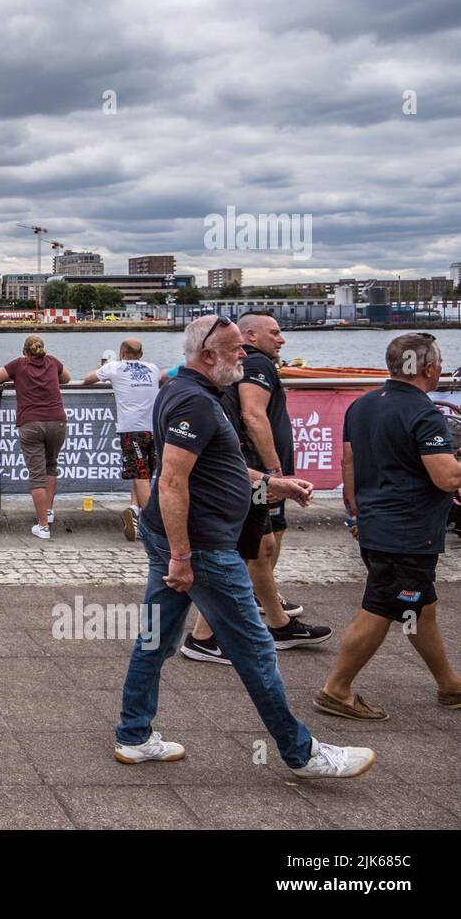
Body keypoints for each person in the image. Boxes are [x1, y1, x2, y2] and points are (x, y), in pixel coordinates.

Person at [113, 314, 376, 779]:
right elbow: (172, 482)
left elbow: (220, 468)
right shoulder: (193, 400)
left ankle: (133, 736)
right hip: (202, 547)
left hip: (180, 538)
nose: (244, 356)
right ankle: (302, 753)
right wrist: (182, 557)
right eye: (236, 349)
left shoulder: (189, 390)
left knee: (155, 640)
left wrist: (273, 482)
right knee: (255, 649)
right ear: (208, 355)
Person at [315, 333, 461, 720]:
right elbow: (447, 478)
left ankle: (450, 686)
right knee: (382, 606)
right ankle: (336, 689)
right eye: (440, 361)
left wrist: (356, 513)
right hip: (408, 532)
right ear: (428, 368)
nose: (441, 368)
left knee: (420, 608)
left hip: (377, 524)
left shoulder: (362, 405)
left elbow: (348, 463)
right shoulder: (424, 412)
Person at [181, 312, 327, 661]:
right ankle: (214, 633)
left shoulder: (246, 365)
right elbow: (253, 414)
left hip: (257, 471)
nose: (282, 339)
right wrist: (274, 472)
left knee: (264, 540)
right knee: (256, 544)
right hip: (258, 471)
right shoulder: (259, 365)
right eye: (274, 333)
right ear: (250, 336)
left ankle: (269, 614)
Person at [0, 335, 70, 540]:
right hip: (57, 421)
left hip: (30, 423)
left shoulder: (19, 364)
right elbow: (66, 378)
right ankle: (48, 512)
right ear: (43, 349)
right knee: (51, 465)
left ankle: (42, 526)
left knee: (36, 474)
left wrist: (15, 377)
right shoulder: (53, 362)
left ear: (24, 351)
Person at [82, 339, 158, 541]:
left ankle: (153, 528)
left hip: (132, 429)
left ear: (122, 353)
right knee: (146, 473)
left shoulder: (114, 367)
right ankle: (134, 510)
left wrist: (103, 367)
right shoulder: (153, 368)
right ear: (141, 355)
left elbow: (87, 379)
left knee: (140, 475)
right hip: (154, 428)